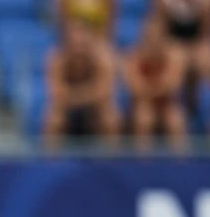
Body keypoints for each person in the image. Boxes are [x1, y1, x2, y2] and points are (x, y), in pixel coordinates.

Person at [43, 19, 122, 147]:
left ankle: (112, 162)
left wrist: (75, 95)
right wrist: (88, 93)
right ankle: (51, 162)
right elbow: (57, 92)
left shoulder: (104, 57)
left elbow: (104, 92)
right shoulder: (56, 59)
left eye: (82, 43)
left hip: (94, 106)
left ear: (90, 41)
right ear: (66, 42)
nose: (78, 46)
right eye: (74, 42)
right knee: (53, 118)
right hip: (68, 106)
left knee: (110, 117)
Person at [125, 17, 189, 148]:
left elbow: (173, 85)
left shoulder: (175, 54)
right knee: (143, 119)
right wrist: (159, 86)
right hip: (144, 103)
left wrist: (149, 87)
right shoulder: (134, 55)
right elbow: (135, 88)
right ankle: (143, 164)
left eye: (157, 35)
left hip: (168, 102)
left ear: (164, 36)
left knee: (176, 121)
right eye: (150, 35)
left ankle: (180, 165)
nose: (153, 39)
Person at [151, 0, 210, 91]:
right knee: (177, 58)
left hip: (197, 40)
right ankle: (175, 98)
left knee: (206, 59)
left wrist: (196, 49)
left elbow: (207, 33)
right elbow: (164, 29)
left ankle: (205, 99)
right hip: (174, 38)